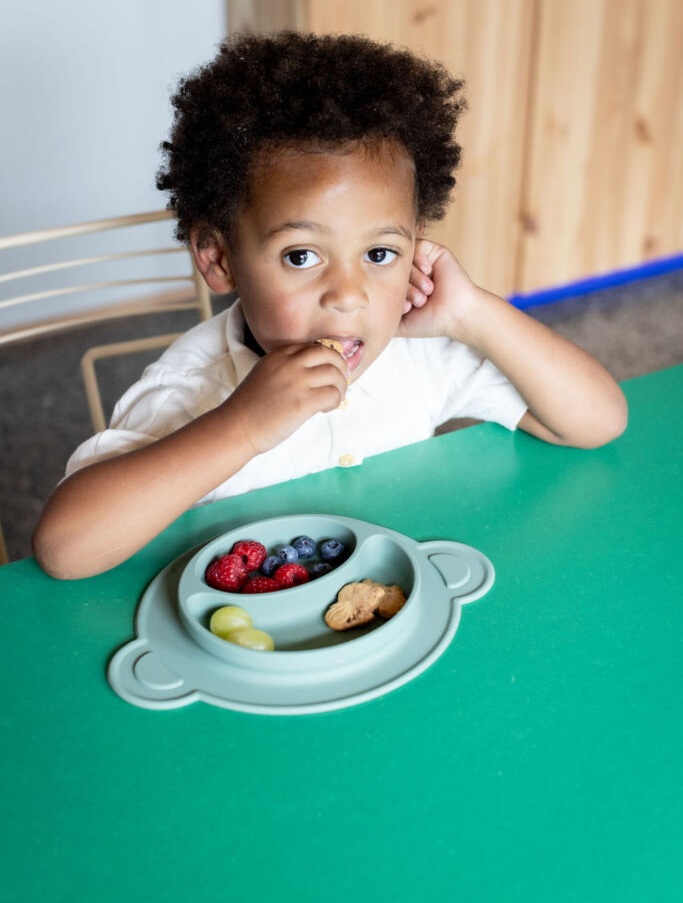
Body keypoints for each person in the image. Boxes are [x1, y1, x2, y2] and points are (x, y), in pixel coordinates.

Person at [33, 31, 627, 579]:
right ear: (218, 258)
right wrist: (240, 428)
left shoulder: (419, 354)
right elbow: (66, 549)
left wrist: (475, 314)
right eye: (300, 256)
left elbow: (597, 423)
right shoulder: (189, 392)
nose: (349, 295)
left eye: (379, 253)